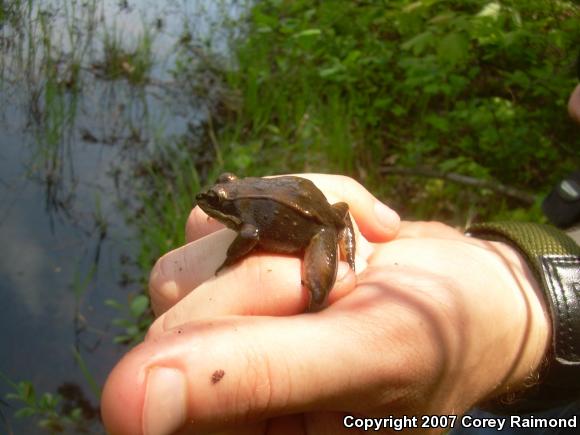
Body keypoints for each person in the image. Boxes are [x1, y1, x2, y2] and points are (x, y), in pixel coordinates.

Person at [101, 86, 580, 435]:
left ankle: (326, 284)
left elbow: (248, 232)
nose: (573, 101)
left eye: (217, 200)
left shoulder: (241, 217)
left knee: (315, 290)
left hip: (313, 225)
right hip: (523, 390)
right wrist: (503, 262)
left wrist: (525, 307)